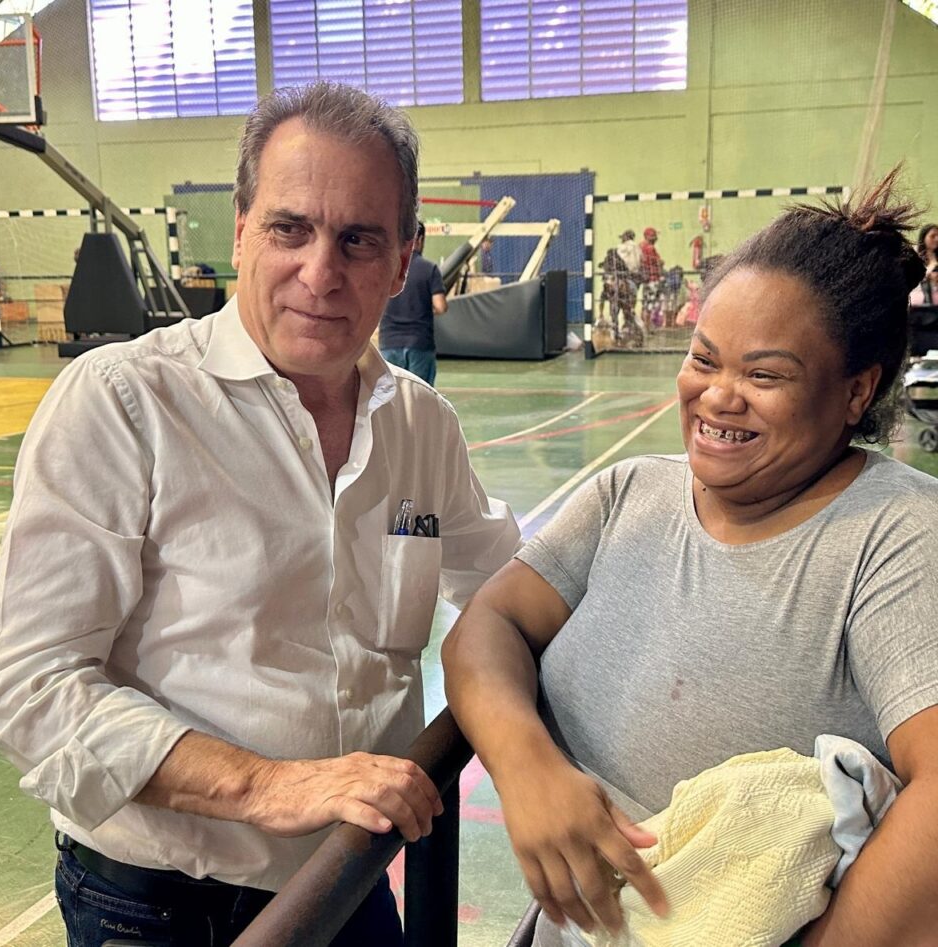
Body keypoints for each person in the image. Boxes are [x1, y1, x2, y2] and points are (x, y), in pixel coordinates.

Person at [0, 81, 520, 947]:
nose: (320, 271)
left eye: (358, 239)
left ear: (406, 255)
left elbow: (510, 586)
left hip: (344, 874)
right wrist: (269, 785)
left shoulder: (421, 424)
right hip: (159, 904)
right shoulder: (125, 402)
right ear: (240, 229)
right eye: (288, 228)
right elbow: (27, 687)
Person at [442, 170, 938, 946]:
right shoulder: (626, 495)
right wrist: (525, 764)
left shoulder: (893, 535)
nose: (717, 396)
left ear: (855, 391)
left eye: (764, 374)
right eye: (705, 359)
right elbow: (488, 622)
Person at [378, 220, 448, 385]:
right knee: (420, 399)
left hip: (389, 342)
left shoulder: (386, 268)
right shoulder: (429, 269)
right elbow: (441, 306)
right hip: (419, 343)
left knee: (392, 400)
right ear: (420, 240)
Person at [638, 226, 665, 327]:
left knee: (645, 303)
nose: (655, 238)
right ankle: (647, 326)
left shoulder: (640, 246)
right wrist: (661, 263)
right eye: (653, 236)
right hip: (653, 278)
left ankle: (645, 324)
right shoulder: (649, 248)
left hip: (645, 279)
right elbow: (657, 262)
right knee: (651, 303)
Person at [916, 222, 937, 304]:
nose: (937, 239)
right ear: (924, 237)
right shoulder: (915, 256)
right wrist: (928, 275)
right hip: (920, 300)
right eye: (932, 236)